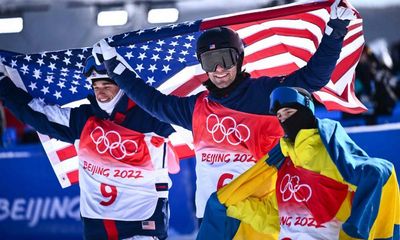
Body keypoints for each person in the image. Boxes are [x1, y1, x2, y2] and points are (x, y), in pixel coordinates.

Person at [96, 0, 357, 224]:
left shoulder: (266, 94)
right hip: (213, 218)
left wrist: (335, 31)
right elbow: (153, 101)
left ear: (239, 59)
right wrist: (115, 68)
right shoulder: (196, 108)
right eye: (211, 62)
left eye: (226, 60)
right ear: (202, 66)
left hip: (260, 214)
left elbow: (312, 78)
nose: (219, 70)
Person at [0, 56, 177, 240]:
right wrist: (3, 83)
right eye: (96, 87)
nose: (100, 93)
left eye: (106, 86)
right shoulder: (82, 119)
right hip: (98, 226)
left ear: (123, 85)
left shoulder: (152, 115)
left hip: (142, 223)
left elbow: (193, 122)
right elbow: (35, 113)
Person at [201, 87, 399, 239]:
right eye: (279, 116)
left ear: (306, 111)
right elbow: (275, 217)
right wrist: (231, 205)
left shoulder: (331, 155)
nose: (284, 120)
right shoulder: (284, 162)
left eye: (289, 112)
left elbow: (376, 174)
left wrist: (353, 233)